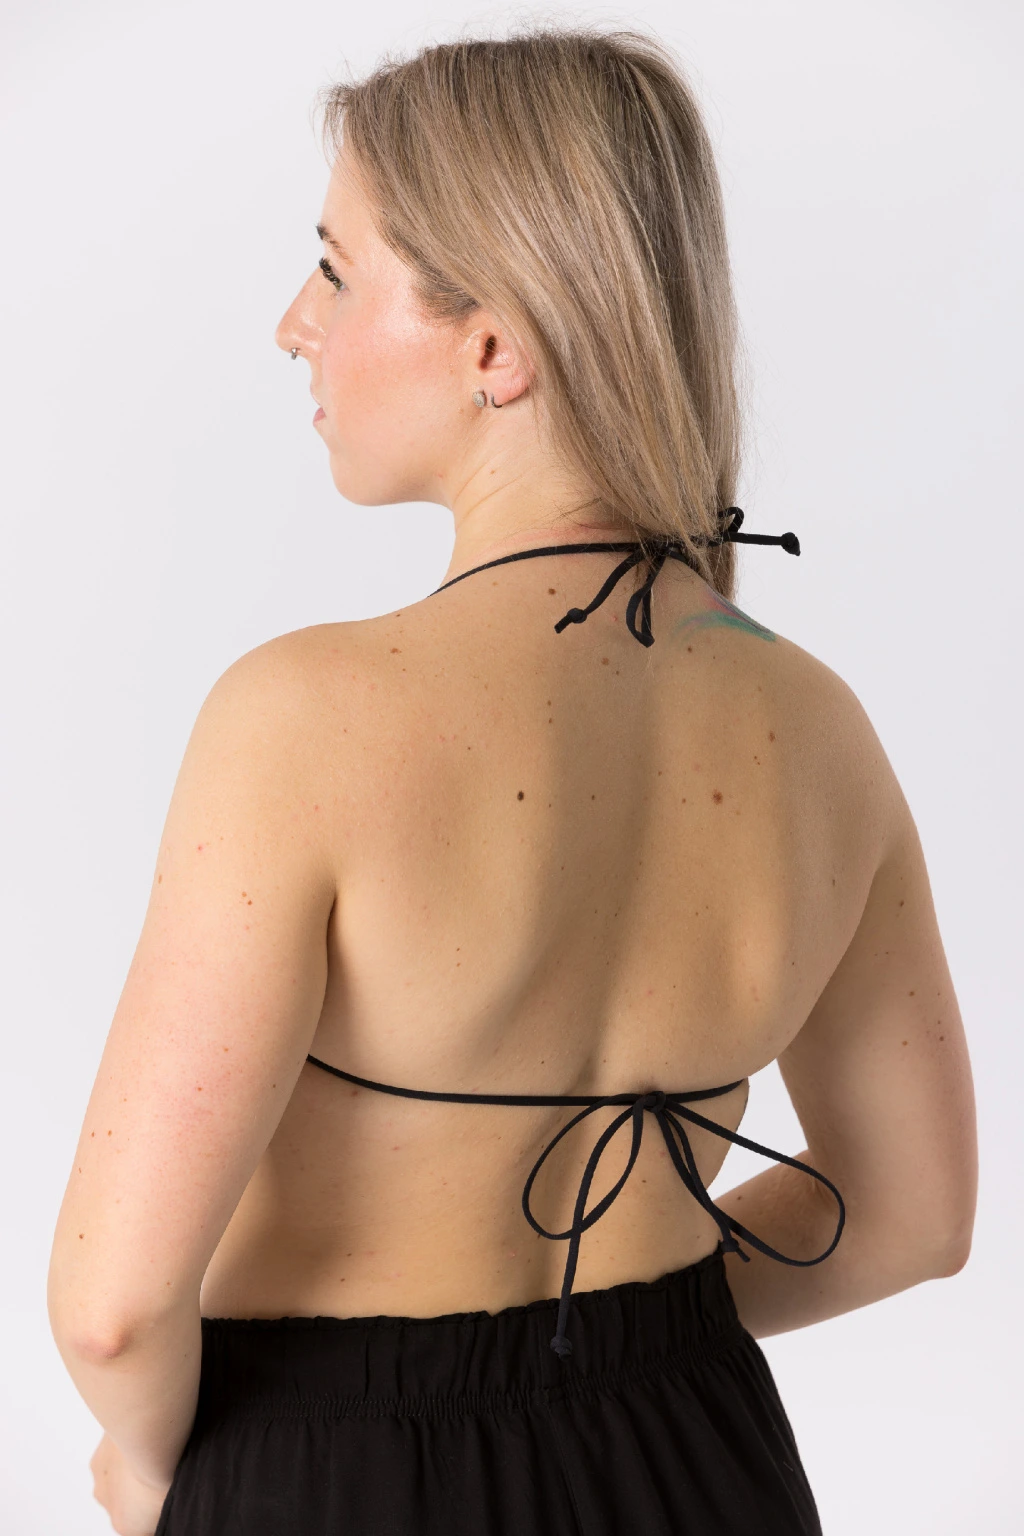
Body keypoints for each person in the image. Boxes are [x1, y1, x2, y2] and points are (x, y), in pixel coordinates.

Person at [46, 27, 977, 1536]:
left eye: (336, 271)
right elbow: (915, 1218)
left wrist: (156, 1467)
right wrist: (629, 1340)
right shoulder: (819, 727)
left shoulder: (303, 717)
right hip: (697, 1457)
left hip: (333, 1475)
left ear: (496, 350)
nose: (293, 325)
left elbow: (110, 1311)